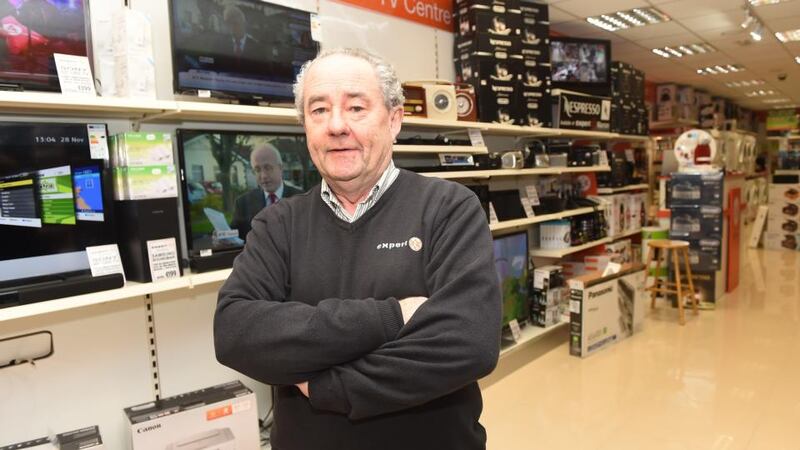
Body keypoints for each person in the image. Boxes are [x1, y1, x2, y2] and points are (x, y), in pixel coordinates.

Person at [214, 48, 502, 450]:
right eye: (318, 111)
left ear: (395, 119)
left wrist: (325, 385)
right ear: (305, 127)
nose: (336, 126)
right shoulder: (278, 223)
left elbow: (468, 342)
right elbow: (236, 333)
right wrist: (392, 316)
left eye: (356, 107)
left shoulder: (449, 208)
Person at [229, 143, 302, 240]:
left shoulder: (301, 199)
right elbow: (233, 237)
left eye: (268, 168)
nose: (263, 176)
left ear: (281, 168)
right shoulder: (243, 203)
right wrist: (222, 237)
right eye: (257, 170)